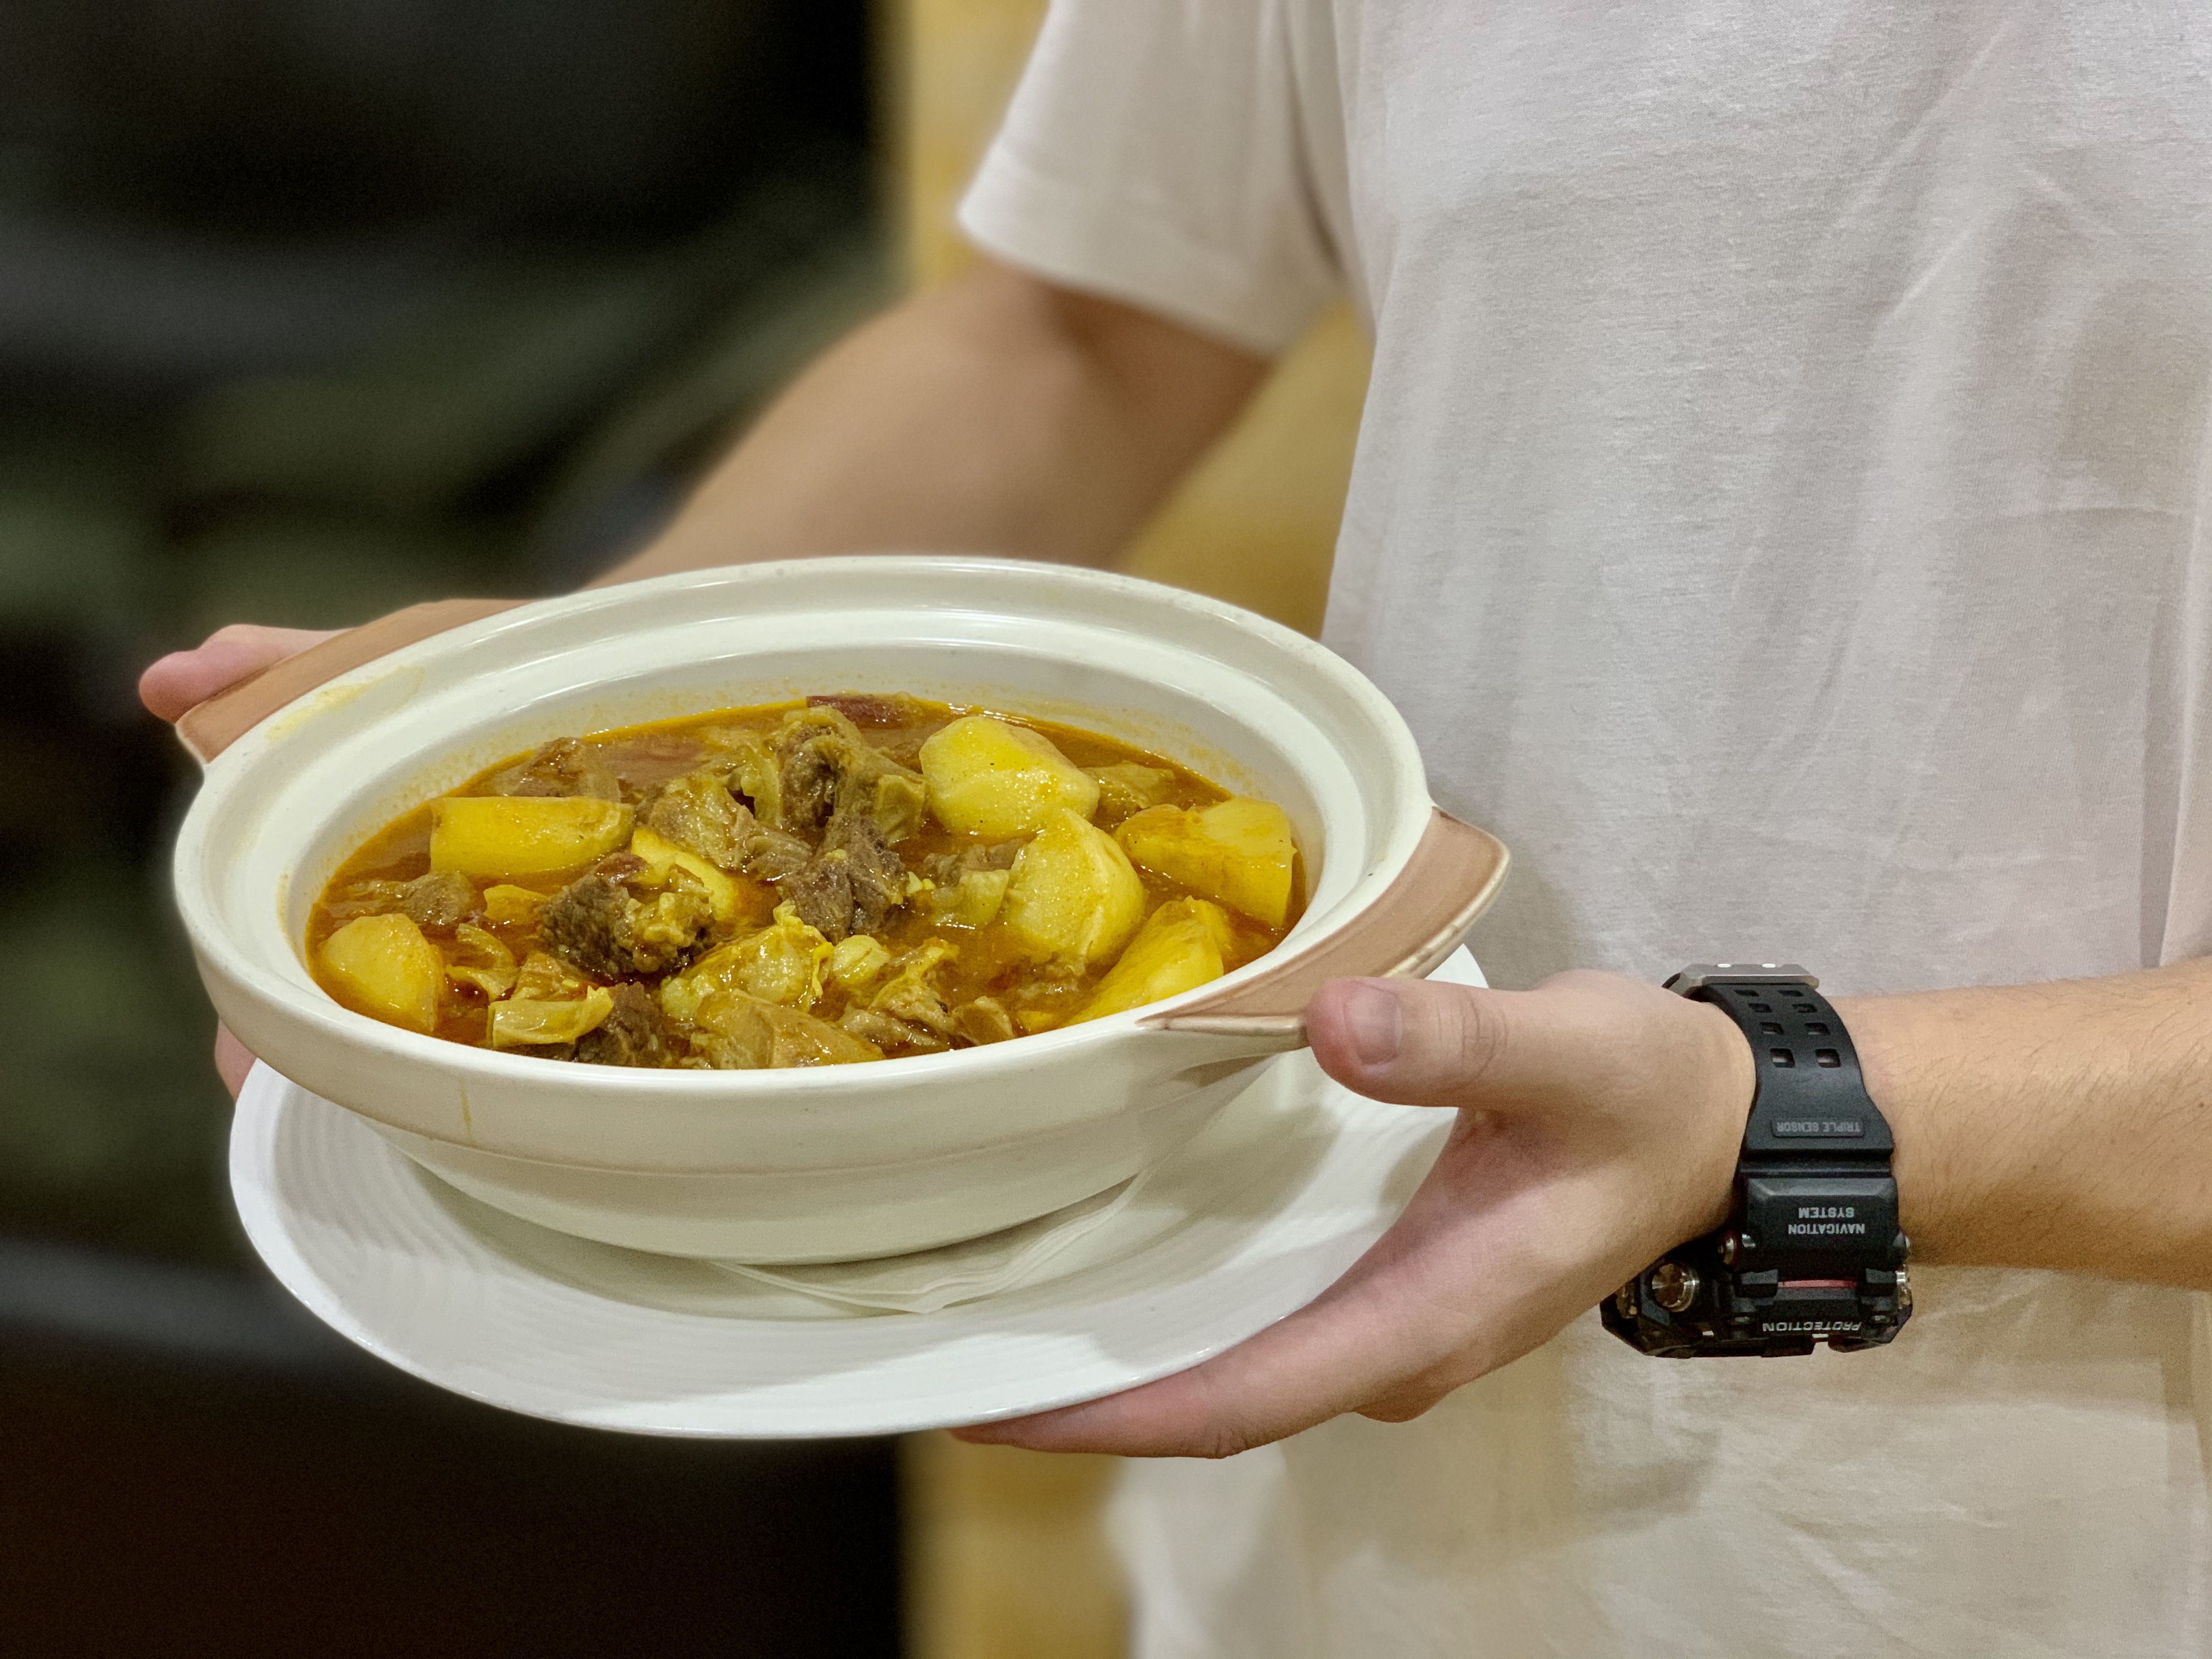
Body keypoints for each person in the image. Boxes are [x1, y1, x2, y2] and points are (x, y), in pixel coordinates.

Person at [143, 3, 2212, 1652]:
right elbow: (1086, 327)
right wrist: (563, 720)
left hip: (2089, 1540)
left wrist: (1773, 1126)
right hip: (1348, 1394)